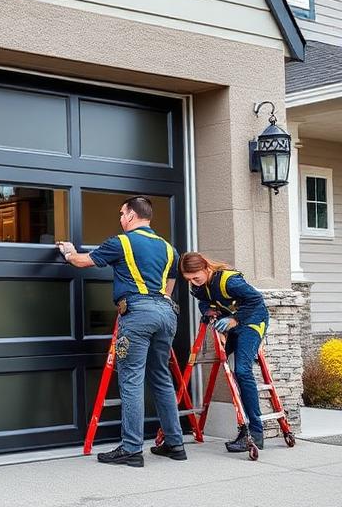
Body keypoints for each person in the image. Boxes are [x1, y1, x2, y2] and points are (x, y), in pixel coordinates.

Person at [57, 196, 184, 467]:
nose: (120, 218)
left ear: (131, 216)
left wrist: (68, 251)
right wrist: (156, 303)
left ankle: (131, 449)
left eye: (122, 213)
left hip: (138, 314)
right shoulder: (169, 248)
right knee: (161, 377)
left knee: (131, 380)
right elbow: (171, 281)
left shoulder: (121, 242)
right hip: (165, 312)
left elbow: (82, 262)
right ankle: (175, 444)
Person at [179, 251, 269, 452]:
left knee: (242, 371)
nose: (193, 282)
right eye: (189, 279)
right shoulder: (198, 285)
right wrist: (208, 312)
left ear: (206, 268)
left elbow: (256, 300)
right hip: (231, 325)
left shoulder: (229, 281)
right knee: (221, 364)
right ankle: (243, 428)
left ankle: (255, 432)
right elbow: (204, 301)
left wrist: (235, 320)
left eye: (196, 277)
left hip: (252, 321)